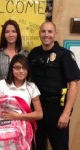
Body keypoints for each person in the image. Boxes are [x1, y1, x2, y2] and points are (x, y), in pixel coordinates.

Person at [28, 21, 80, 150]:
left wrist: (66, 113)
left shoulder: (65, 55)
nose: (46, 35)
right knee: (36, 146)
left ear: (55, 34)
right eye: (43, 31)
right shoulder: (33, 54)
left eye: (50, 31)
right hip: (36, 108)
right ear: (39, 33)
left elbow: (74, 84)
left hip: (57, 110)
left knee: (60, 147)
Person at [0, 54, 43, 149]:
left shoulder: (31, 87)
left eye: (24, 68)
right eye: (17, 68)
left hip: (23, 134)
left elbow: (39, 114)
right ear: (11, 69)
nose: (21, 71)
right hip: (4, 132)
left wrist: (17, 116)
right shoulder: (2, 85)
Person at [0, 19, 29, 91]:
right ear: (4, 35)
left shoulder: (25, 54)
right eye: (7, 32)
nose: (10, 34)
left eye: (13, 31)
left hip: (20, 97)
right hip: (1, 97)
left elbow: (28, 78)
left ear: (17, 34)